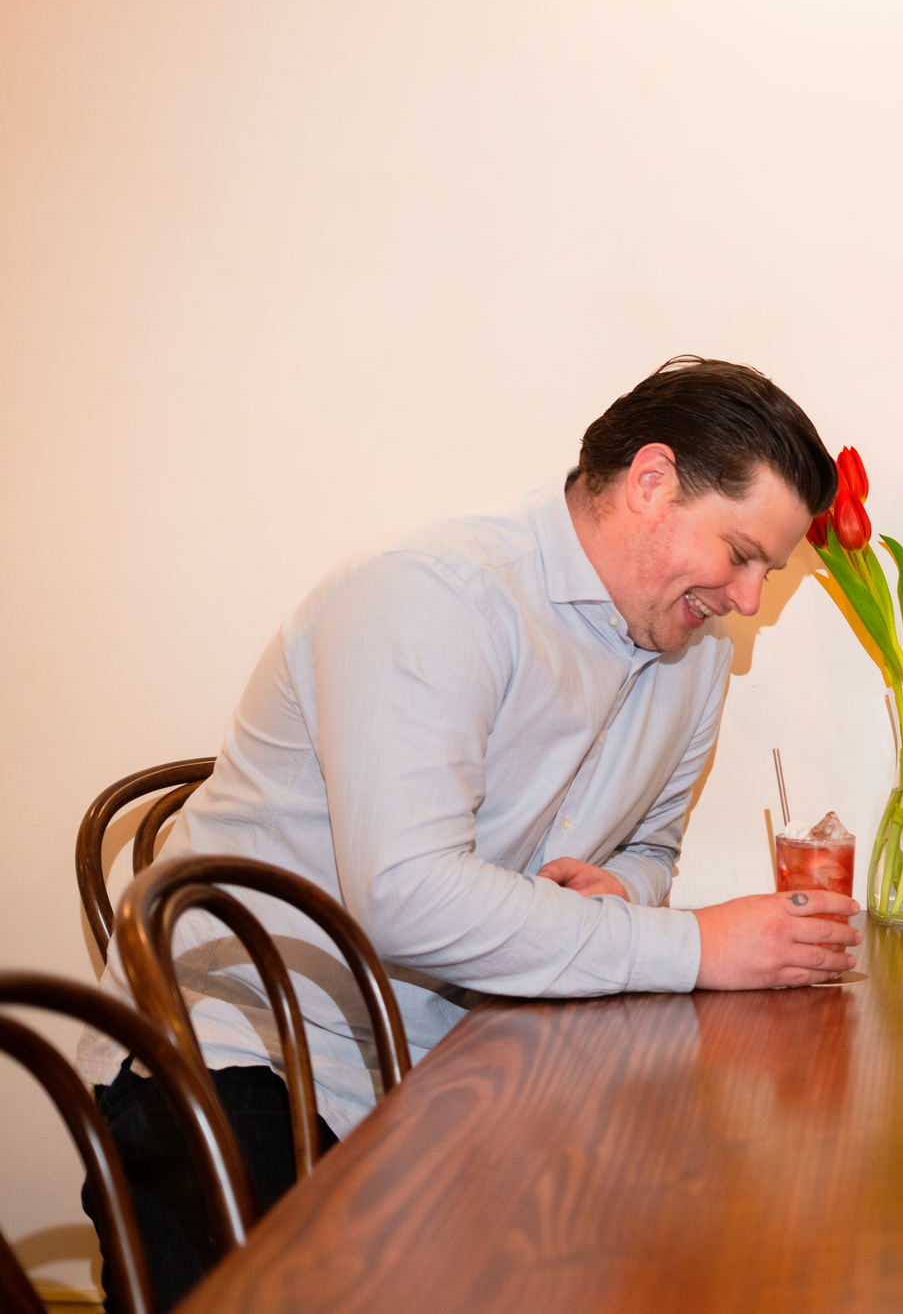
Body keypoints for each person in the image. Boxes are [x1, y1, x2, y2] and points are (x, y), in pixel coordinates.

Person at [77, 355, 862, 1309]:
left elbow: (651, 850)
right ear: (651, 482)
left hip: (458, 1061)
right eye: (740, 554)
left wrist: (625, 892)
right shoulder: (435, 594)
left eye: (767, 572)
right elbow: (405, 900)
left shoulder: (693, 659)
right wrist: (695, 944)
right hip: (246, 1050)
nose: (747, 599)